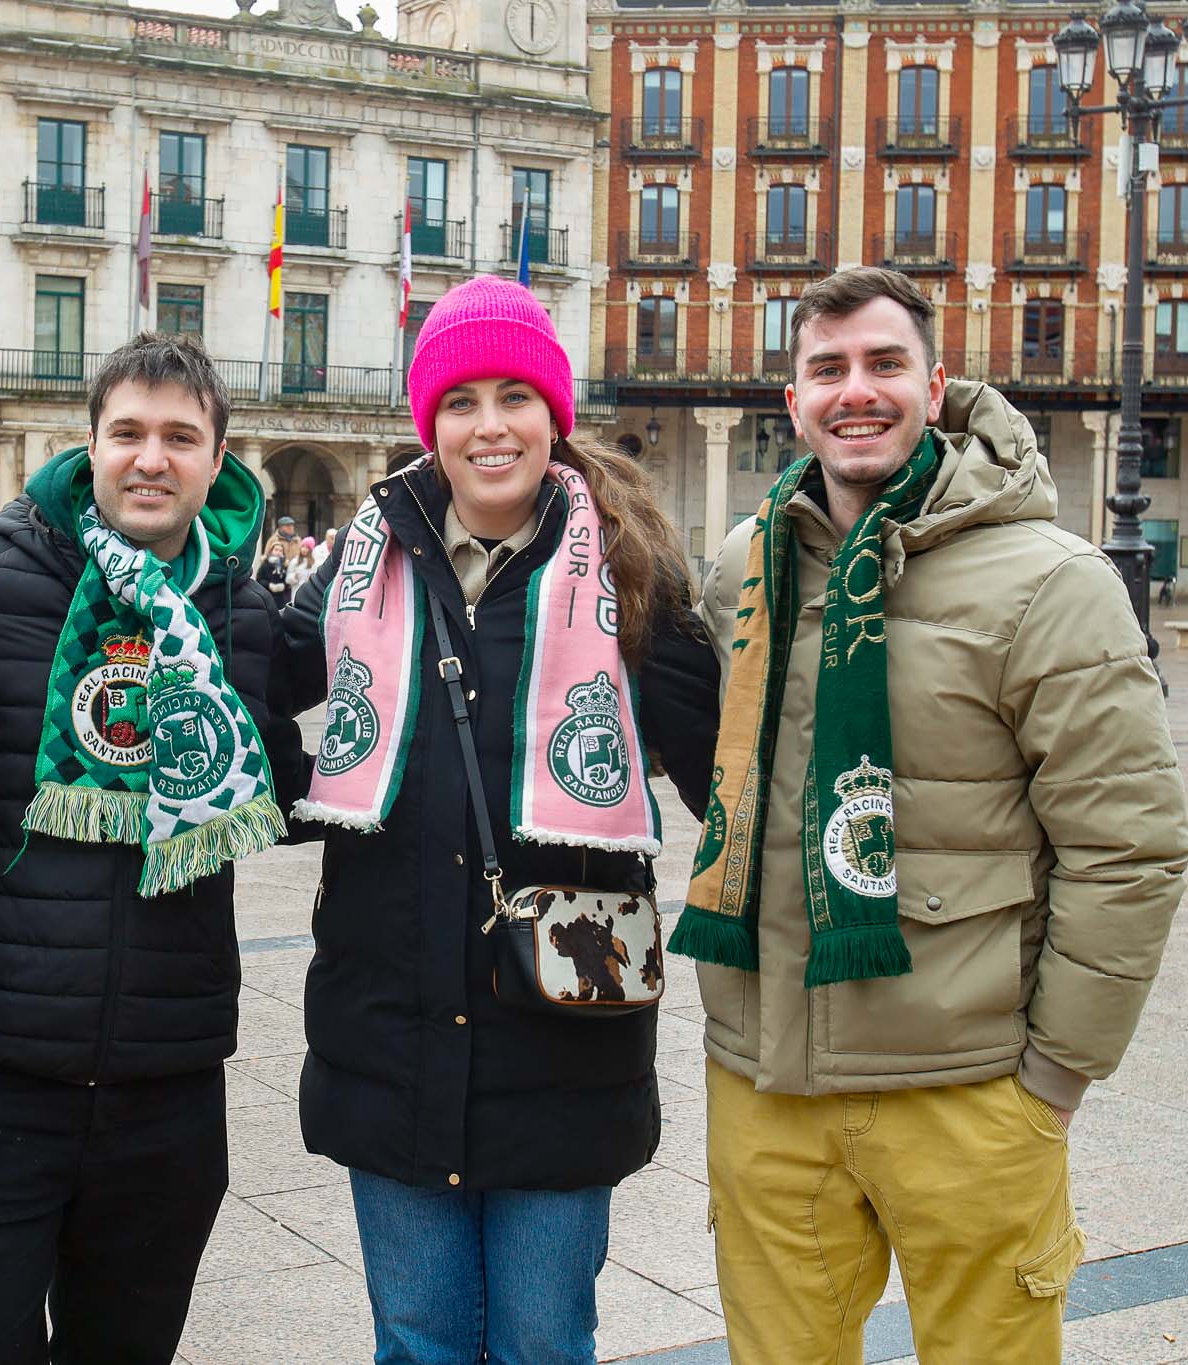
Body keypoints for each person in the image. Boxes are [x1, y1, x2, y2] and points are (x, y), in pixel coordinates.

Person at [671, 267, 1188, 1362]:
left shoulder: (1050, 581)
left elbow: (1127, 847)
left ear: (934, 383)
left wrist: (1051, 1075)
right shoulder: (744, 567)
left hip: (962, 1090)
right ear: (792, 400)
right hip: (766, 1084)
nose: (855, 391)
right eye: (827, 369)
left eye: (882, 364)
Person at [281, 276, 720, 1365]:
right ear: (427, 423)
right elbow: (240, 696)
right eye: (461, 400)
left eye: (514, 396)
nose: (489, 425)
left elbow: (736, 781)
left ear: (552, 416)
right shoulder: (355, 566)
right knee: (418, 1341)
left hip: (564, 1038)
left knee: (539, 1343)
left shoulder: (631, 579)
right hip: (388, 1027)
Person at [0, 332, 309, 1363]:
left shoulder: (238, 611)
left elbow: (318, 764)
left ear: (219, 458)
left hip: (165, 1081)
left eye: (180, 437)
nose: (150, 458)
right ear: (89, 445)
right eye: (126, 432)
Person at [257, 534, 292, 604]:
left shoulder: (286, 565)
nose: (278, 552)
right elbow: (259, 579)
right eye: (276, 550)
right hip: (267, 596)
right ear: (271, 551)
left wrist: (283, 586)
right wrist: (269, 585)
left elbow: (289, 580)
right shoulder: (265, 564)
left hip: (282, 598)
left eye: (280, 551)